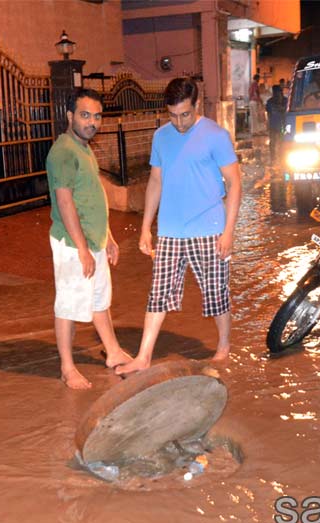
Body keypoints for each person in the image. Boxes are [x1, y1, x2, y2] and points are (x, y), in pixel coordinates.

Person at [116, 77, 241, 376]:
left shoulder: (216, 135)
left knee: (215, 292)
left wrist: (229, 232)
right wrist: (146, 227)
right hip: (170, 231)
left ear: (196, 105)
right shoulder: (161, 137)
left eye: (185, 114)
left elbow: (235, 184)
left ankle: (223, 346)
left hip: (210, 229)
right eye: (173, 115)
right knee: (158, 293)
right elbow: (155, 182)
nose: (179, 122)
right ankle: (143, 357)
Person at [45, 88, 131, 389]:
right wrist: (81, 248)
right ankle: (67, 368)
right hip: (72, 245)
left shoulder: (84, 148)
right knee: (68, 305)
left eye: (96, 116)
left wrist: (108, 236)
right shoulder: (64, 151)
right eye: (85, 115)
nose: (91, 122)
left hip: (93, 241)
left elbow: (91, 196)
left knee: (99, 300)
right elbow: (66, 202)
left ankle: (114, 352)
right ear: (70, 116)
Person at [265, 84, 288, 163]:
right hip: (273, 125)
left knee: (282, 142)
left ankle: (282, 158)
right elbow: (268, 114)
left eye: (278, 92)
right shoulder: (270, 102)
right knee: (273, 142)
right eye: (275, 92)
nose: (277, 94)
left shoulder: (286, 101)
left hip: (283, 125)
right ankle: (273, 159)